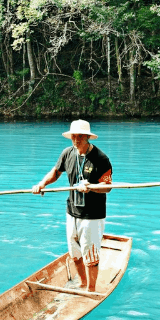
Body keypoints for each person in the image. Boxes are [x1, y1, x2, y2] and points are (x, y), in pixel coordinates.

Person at [32, 120, 113, 292]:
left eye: (80, 136)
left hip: (92, 215)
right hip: (72, 212)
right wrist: (42, 184)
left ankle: (91, 290)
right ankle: (82, 283)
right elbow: (56, 172)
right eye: (73, 136)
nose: (76, 140)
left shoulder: (101, 158)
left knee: (90, 255)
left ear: (87, 137)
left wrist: (91, 187)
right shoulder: (67, 153)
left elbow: (107, 186)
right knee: (74, 252)